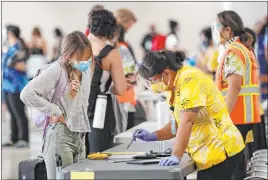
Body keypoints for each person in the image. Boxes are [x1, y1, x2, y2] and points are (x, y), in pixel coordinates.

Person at [134, 50, 244, 180]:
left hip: (221, 150)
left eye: (153, 80)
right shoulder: (174, 86)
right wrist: (154, 135)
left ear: (166, 74)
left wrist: (176, 154)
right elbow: (177, 124)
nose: (152, 86)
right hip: (209, 155)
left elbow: (187, 121)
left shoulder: (189, 79)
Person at [20, 31, 93, 179]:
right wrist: (56, 112)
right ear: (69, 54)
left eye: (88, 58)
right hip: (60, 138)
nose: (86, 61)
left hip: (80, 138)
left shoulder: (85, 72)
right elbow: (27, 94)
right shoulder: (57, 69)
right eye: (82, 58)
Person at [213, 10, 261, 180]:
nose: (215, 30)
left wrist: (222, 119)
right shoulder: (244, 49)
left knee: (230, 170)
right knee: (237, 166)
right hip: (244, 116)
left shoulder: (234, 51)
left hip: (236, 117)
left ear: (228, 30)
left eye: (217, 26)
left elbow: (234, 87)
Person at [87, 9, 130, 154]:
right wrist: (109, 87)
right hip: (100, 108)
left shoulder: (78, 46)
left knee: (78, 159)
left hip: (75, 108)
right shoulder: (111, 53)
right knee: (98, 156)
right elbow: (121, 88)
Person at [2, 25, 30, 148]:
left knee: (19, 113)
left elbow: (23, 67)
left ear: (10, 34)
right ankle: (14, 138)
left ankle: (23, 138)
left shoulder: (19, 47)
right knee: (12, 113)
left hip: (17, 86)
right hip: (7, 86)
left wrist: (12, 64)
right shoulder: (10, 48)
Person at [255, 16, 268, 101]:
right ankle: (264, 98)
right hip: (262, 55)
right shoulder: (262, 24)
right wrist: (263, 21)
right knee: (263, 76)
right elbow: (255, 31)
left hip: (264, 53)